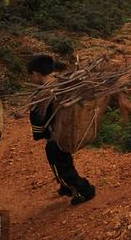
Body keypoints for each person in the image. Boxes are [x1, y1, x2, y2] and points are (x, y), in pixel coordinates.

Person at [27, 54, 97, 205]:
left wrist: (38, 133)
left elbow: (38, 118)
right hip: (65, 133)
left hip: (56, 137)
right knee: (63, 163)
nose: (31, 80)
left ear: (36, 73)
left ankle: (84, 191)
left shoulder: (44, 93)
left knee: (62, 167)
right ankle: (66, 187)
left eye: (30, 76)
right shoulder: (60, 83)